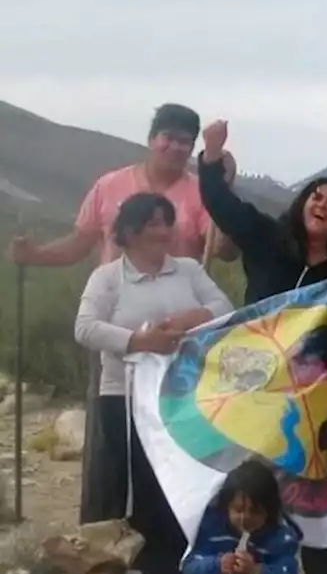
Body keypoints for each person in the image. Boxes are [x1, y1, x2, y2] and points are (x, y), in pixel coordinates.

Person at [7, 103, 237, 527]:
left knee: (173, 448)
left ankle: (169, 546)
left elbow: (223, 249)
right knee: (109, 444)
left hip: (180, 351)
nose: (173, 146)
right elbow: (79, 244)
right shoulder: (109, 186)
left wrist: (222, 191)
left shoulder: (199, 193)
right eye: (167, 136)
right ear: (151, 138)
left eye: (184, 141)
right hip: (118, 332)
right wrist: (34, 256)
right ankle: (101, 538)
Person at [197, 118, 327, 574]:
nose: (321, 204)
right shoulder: (267, 237)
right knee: (251, 485)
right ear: (302, 203)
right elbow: (221, 205)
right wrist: (211, 155)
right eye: (315, 195)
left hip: (315, 398)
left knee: (313, 483)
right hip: (255, 392)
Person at [73, 192, 235, 574]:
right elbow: (85, 327)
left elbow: (225, 309)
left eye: (167, 222)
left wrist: (186, 320)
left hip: (179, 399)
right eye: (153, 224)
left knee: (171, 490)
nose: (163, 231)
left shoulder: (189, 271)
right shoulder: (109, 279)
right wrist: (139, 342)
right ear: (129, 232)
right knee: (127, 489)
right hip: (122, 397)